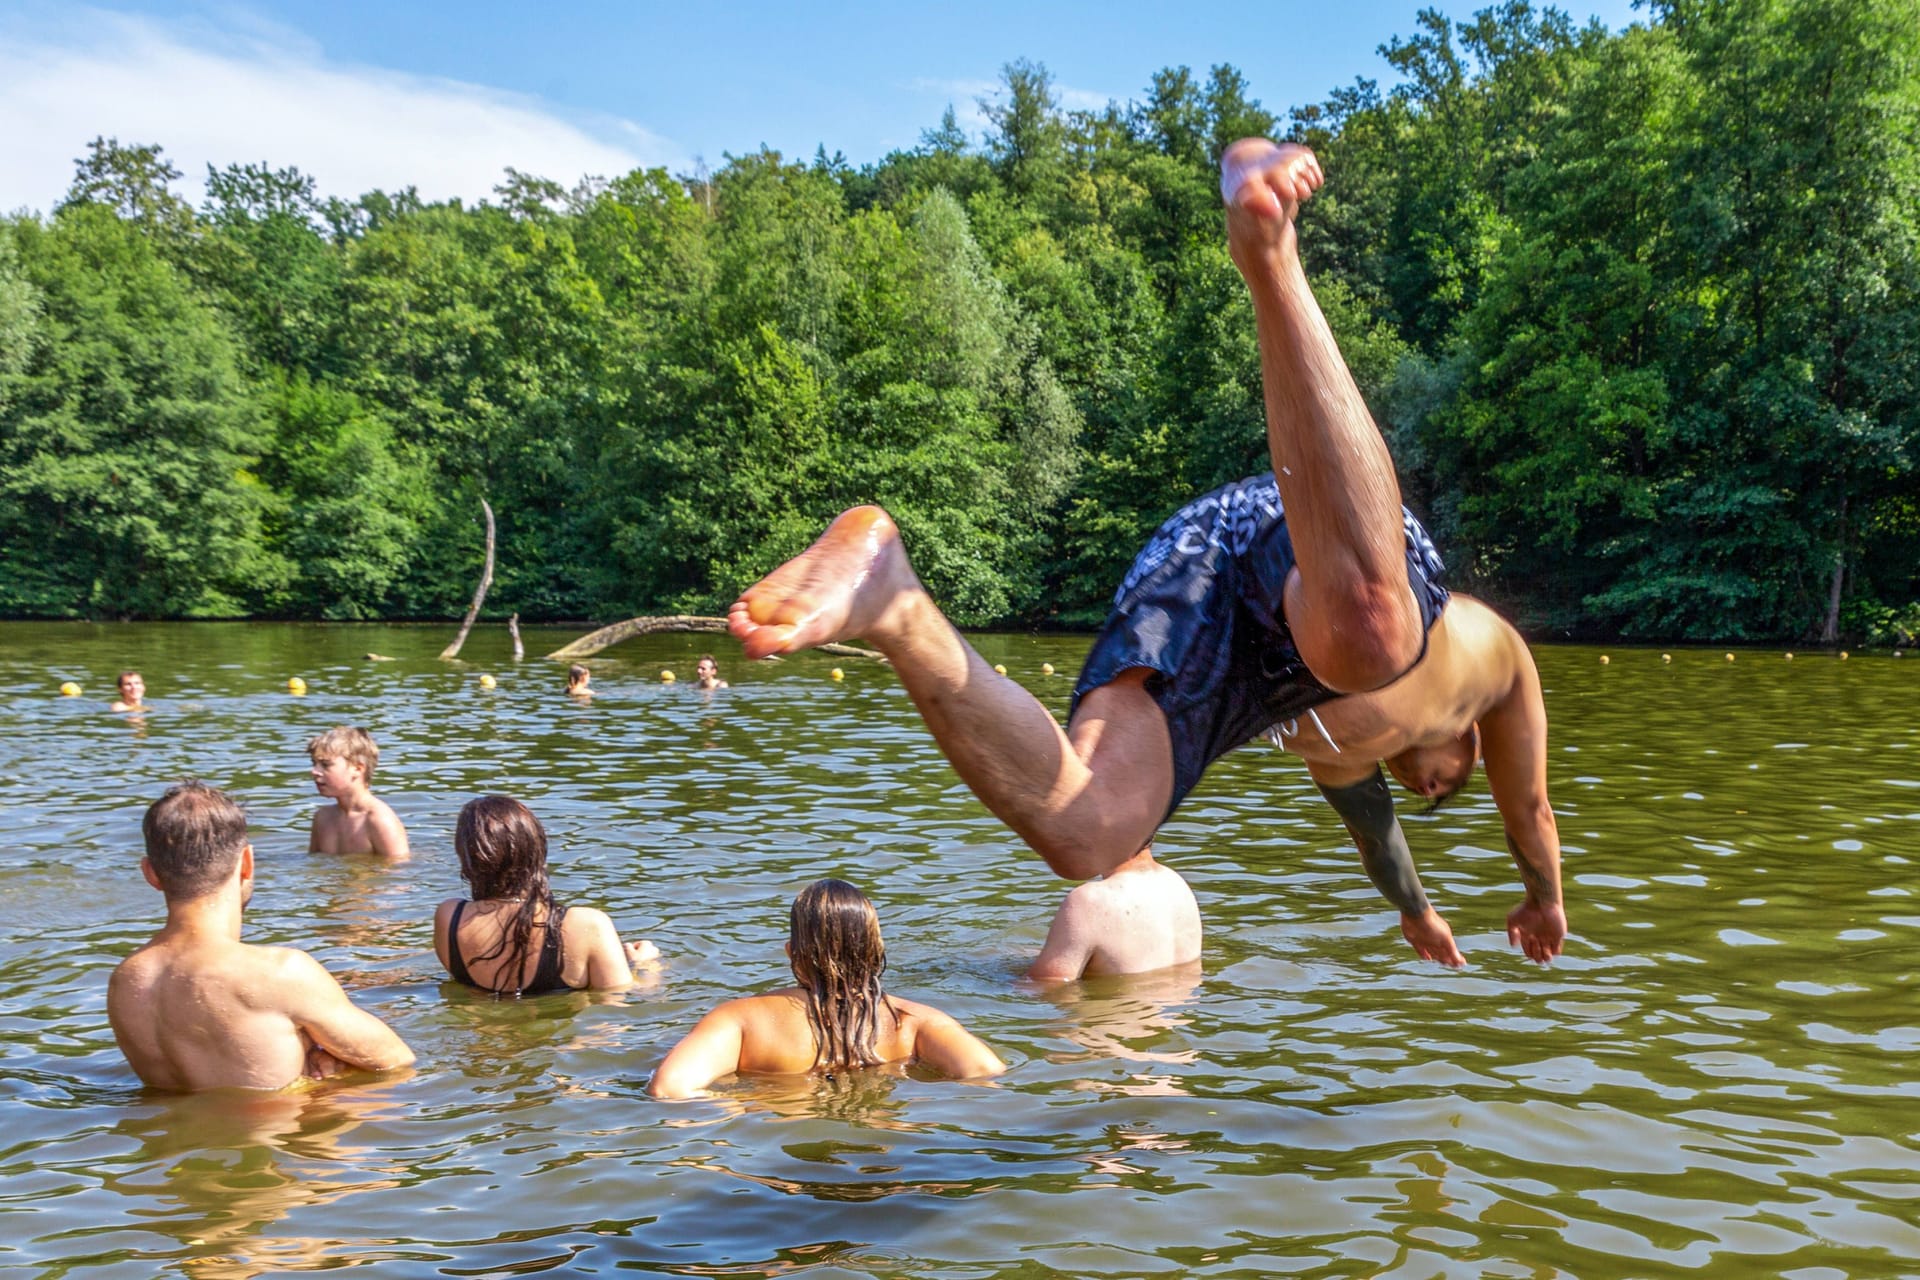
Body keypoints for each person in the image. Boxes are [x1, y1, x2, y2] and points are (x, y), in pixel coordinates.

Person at [727, 139, 1564, 970]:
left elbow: (1380, 844)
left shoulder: (1346, 761)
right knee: (1376, 635)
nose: (1433, 788)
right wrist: (1544, 895)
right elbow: (1529, 808)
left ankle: (892, 597)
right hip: (1280, 536)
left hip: (1247, 638)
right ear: (1471, 749)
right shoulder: (1497, 667)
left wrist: (1416, 914)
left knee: (1086, 833)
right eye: (1451, 783)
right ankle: (1269, 254)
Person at [107, 782, 416, 1091]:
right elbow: (397, 1061)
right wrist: (325, 1068)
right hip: (280, 1136)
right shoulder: (279, 972)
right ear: (247, 864)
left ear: (150, 873)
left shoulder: (126, 981)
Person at [648, 878, 1005, 1097]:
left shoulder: (740, 1020)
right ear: (875, 952)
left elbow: (669, 1089)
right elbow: (985, 1072)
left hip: (776, 1160)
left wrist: (749, 1104)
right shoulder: (914, 1022)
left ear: (792, 952)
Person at [434, 795, 659, 995]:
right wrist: (644, 965)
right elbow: (618, 1005)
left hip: (479, 1037)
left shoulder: (449, 917)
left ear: (466, 859)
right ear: (537, 848)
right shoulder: (587, 924)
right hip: (561, 1041)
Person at [1028, 845, 1202, 982]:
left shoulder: (1090, 901)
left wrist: (1003, 977)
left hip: (1107, 1025)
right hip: (1169, 1021)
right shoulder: (1176, 884)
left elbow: (1047, 988)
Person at [307, 726, 410, 859]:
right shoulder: (323, 818)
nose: (314, 771)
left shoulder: (378, 819)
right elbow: (314, 863)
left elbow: (400, 873)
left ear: (357, 768)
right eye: (314, 763)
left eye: (326, 765)